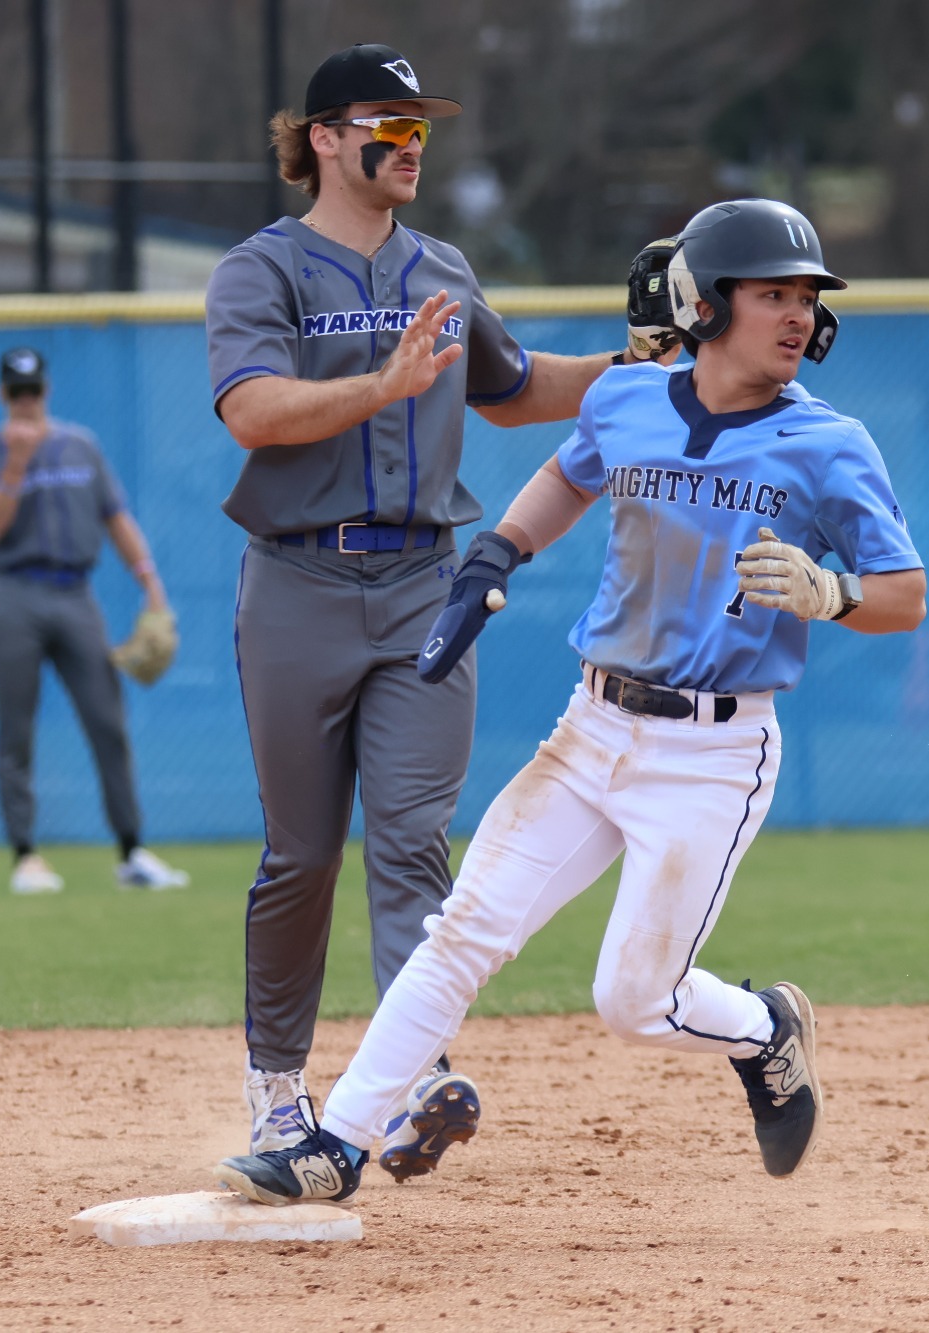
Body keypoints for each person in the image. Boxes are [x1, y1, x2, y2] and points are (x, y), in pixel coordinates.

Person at [213, 199, 928, 1206]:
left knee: (633, 1001)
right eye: (771, 293)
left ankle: (765, 1028)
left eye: (806, 298)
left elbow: (905, 596)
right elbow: (564, 474)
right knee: (461, 930)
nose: (796, 316)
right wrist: (493, 554)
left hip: (712, 754)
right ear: (702, 303)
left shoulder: (828, 444)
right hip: (591, 726)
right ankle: (335, 1143)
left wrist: (832, 592)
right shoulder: (630, 400)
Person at [205, 43, 672, 1176]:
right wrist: (383, 386)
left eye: (420, 129)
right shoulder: (259, 271)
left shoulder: (442, 271)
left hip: (424, 582)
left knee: (412, 841)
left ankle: (406, 1081)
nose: (409, 145)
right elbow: (254, 413)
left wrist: (641, 365)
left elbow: (514, 395)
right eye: (386, 124)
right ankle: (276, 1085)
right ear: (323, 136)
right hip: (299, 586)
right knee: (302, 855)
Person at [0, 347, 190, 894]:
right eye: (16, 393)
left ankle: (132, 850)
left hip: (76, 594)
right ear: (1, 396)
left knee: (107, 720)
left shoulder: (80, 445)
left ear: (47, 391)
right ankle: (25, 857)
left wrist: (149, 580)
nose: (26, 401)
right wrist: (15, 465)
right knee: (17, 728)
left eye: (33, 391)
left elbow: (116, 516)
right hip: (14, 594)